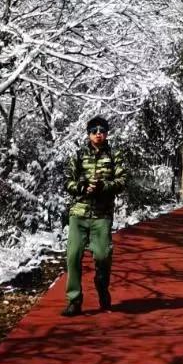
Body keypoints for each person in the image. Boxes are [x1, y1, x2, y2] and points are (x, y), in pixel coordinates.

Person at [62, 114, 127, 316]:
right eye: (94, 131)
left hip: (102, 214)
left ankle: (101, 285)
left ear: (106, 134)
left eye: (102, 131)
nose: (98, 134)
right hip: (79, 212)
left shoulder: (114, 155)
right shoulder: (79, 155)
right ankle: (74, 300)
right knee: (73, 256)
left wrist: (103, 187)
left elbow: (122, 181)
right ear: (88, 133)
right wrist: (81, 187)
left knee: (103, 255)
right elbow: (67, 181)